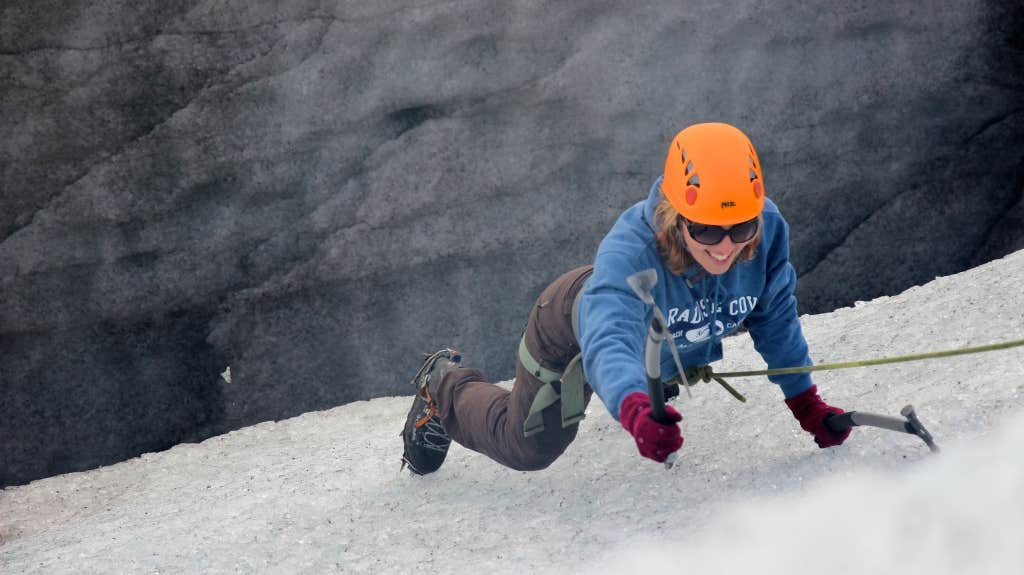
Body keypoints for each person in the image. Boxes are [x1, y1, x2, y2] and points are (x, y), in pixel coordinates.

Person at [400, 122, 851, 475]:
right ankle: (444, 386)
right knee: (528, 446)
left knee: (654, 352)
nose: (726, 247)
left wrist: (806, 405)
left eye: (742, 228)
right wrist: (636, 411)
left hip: (654, 327)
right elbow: (610, 340)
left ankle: (646, 378)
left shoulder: (766, 232)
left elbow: (775, 319)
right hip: (574, 326)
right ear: (676, 216)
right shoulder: (630, 253)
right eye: (706, 230)